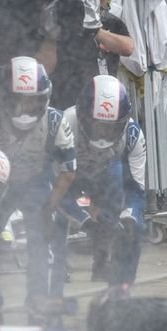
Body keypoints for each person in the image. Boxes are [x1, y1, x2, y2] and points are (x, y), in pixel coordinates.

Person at [0, 57, 76, 311]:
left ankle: (37, 296)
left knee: (39, 238)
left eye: (32, 100)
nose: (25, 107)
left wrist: (49, 207)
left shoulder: (55, 121)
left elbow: (68, 172)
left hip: (36, 182)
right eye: (18, 99)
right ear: (4, 97)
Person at [60, 75, 144, 292]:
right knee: (52, 213)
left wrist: (129, 218)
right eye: (96, 126)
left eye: (110, 128)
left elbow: (136, 190)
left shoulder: (133, 135)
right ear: (82, 116)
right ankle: (57, 262)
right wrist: (87, 221)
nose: (102, 135)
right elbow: (55, 190)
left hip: (107, 171)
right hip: (70, 175)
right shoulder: (64, 124)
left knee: (132, 225)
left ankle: (120, 283)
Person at [34, 0, 135, 109]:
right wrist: (53, 31)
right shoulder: (62, 20)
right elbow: (42, 69)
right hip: (65, 99)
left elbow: (128, 48)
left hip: (102, 99)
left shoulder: (111, 21)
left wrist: (95, 29)